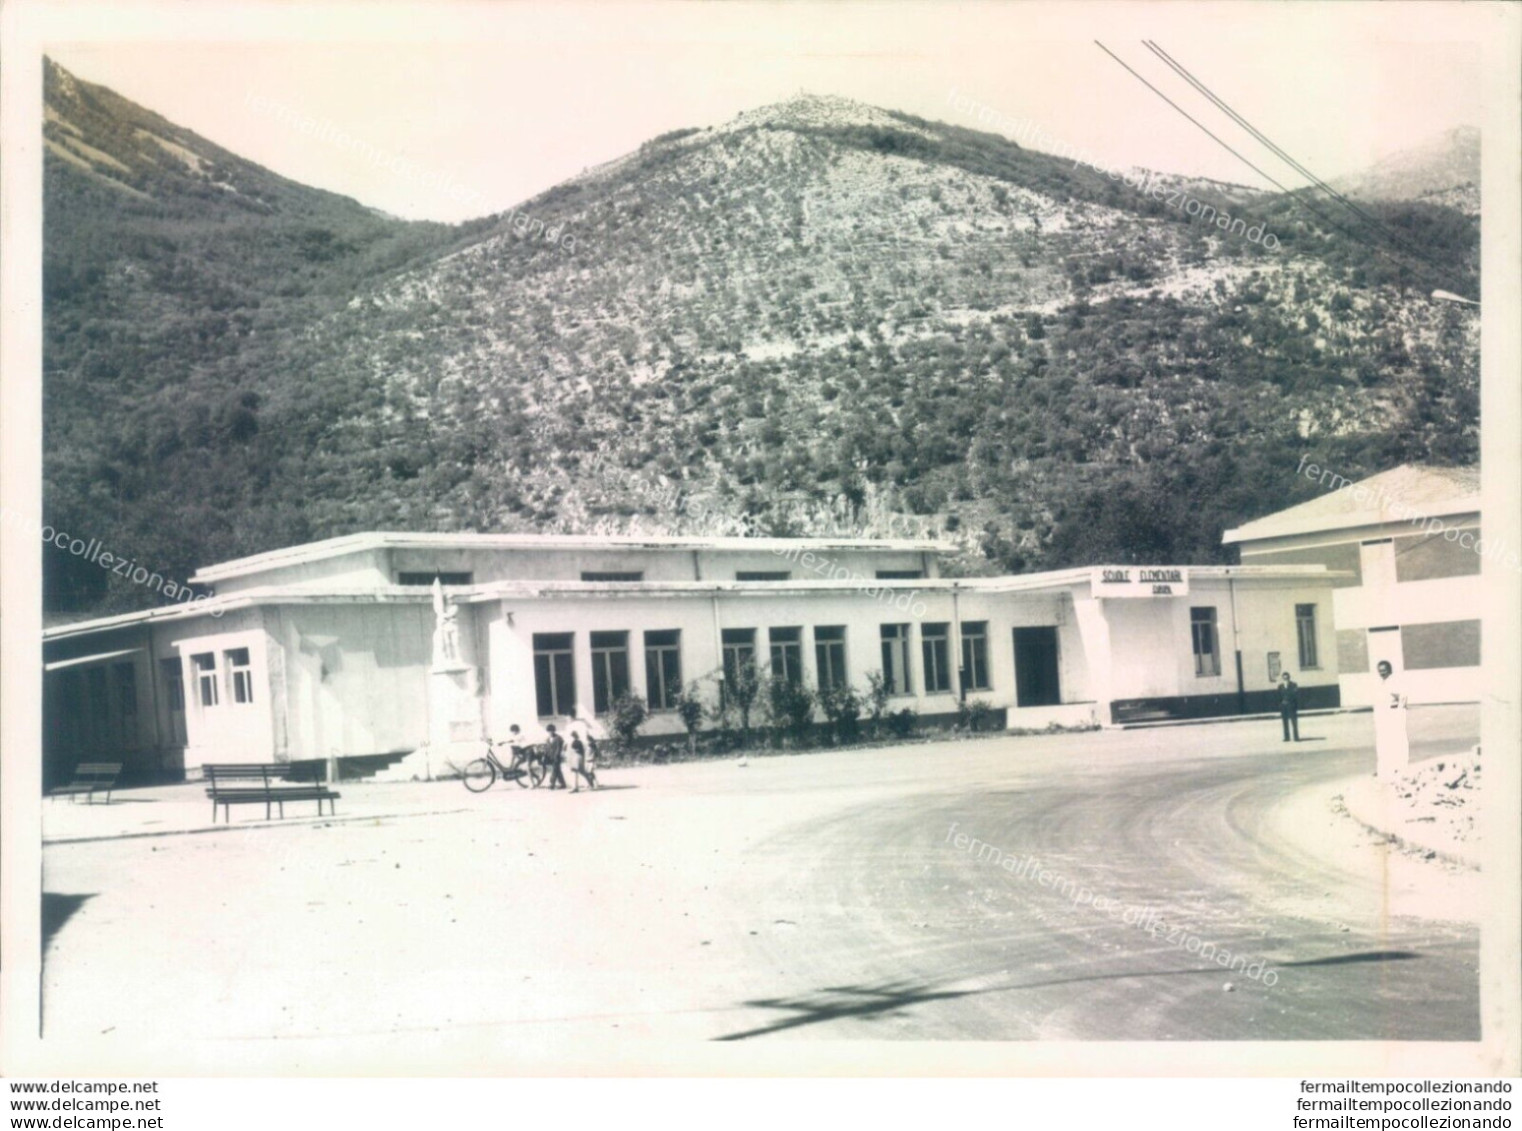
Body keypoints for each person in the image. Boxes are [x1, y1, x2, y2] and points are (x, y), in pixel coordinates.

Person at [1373, 660, 1410, 781]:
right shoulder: (1382, 683)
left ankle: (1399, 768)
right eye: (1380, 670)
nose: (1382, 672)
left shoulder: (1393, 682)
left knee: (1396, 742)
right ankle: (1385, 770)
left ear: (1389, 670)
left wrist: (1399, 712)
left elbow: (1403, 697)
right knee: (1384, 744)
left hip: (1392, 717)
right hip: (1383, 718)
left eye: (1384, 670)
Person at [542, 724, 568, 790]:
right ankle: (563, 783)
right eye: (549, 731)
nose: (550, 733)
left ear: (554, 731)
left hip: (557, 757)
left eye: (551, 731)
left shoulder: (558, 738)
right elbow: (546, 748)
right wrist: (545, 755)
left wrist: (556, 756)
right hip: (550, 756)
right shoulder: (547, 739)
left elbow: (559, 748)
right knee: (557, 770)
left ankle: (552, 784)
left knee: (554, 770)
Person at [1278, 671, 1300, 742]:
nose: (1286, 679)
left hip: (1291, 705)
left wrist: (1295, 705)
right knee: (1285, 722)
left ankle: (1296, 737)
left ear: (1289, 678)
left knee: (1294, 722)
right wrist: (1280, 705)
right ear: (1282, 678)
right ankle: (1287, 737)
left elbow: (1295, 695)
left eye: (1287, 678)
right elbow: (1278, 697)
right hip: (1284, 706)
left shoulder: (1294, 685)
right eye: (1284, 678)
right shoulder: (1280, 686)